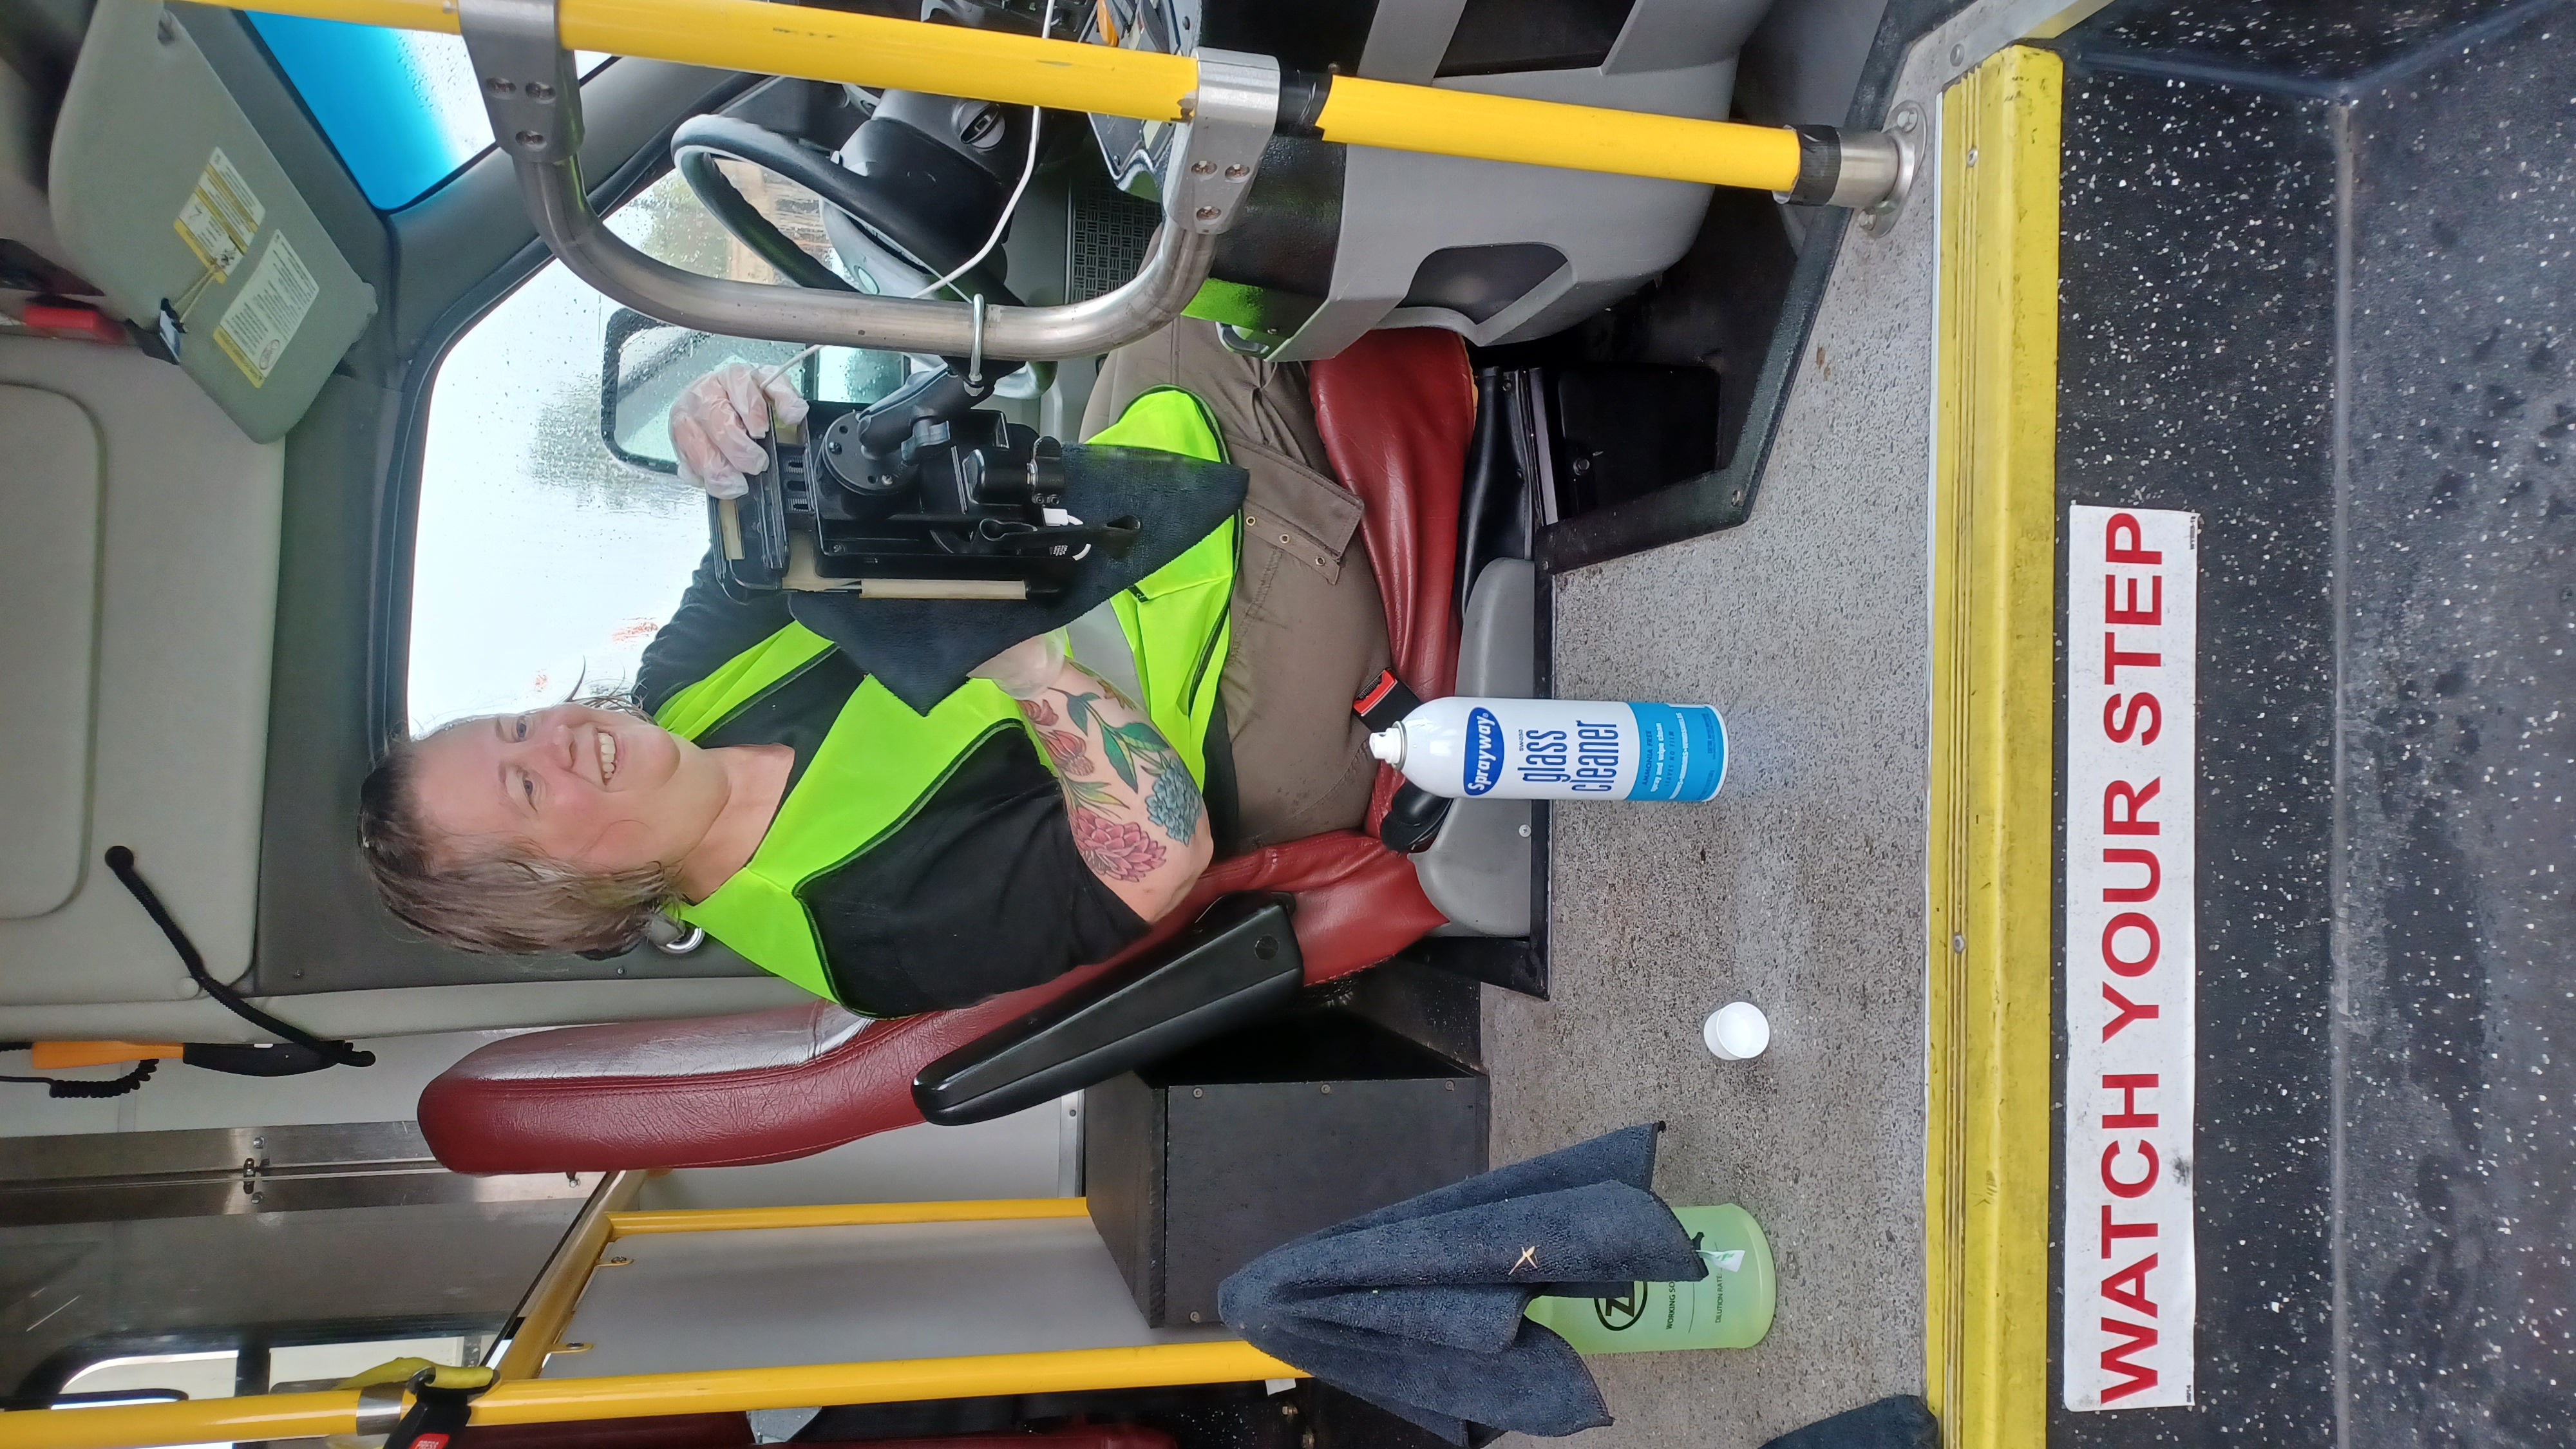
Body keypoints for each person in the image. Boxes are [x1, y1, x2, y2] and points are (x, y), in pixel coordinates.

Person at [359, 320, 1392, 1016]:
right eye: (528, 786)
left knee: (1122, 327)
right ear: (558, 892)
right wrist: (1031, 673)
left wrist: (736, 422)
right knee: (1200, 292)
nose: (557, 739)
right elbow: (1160, 864)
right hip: (1247, 726)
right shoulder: (850, 931)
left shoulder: (685, 688)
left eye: (514, 728)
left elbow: (784, 517)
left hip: (1139, 569)